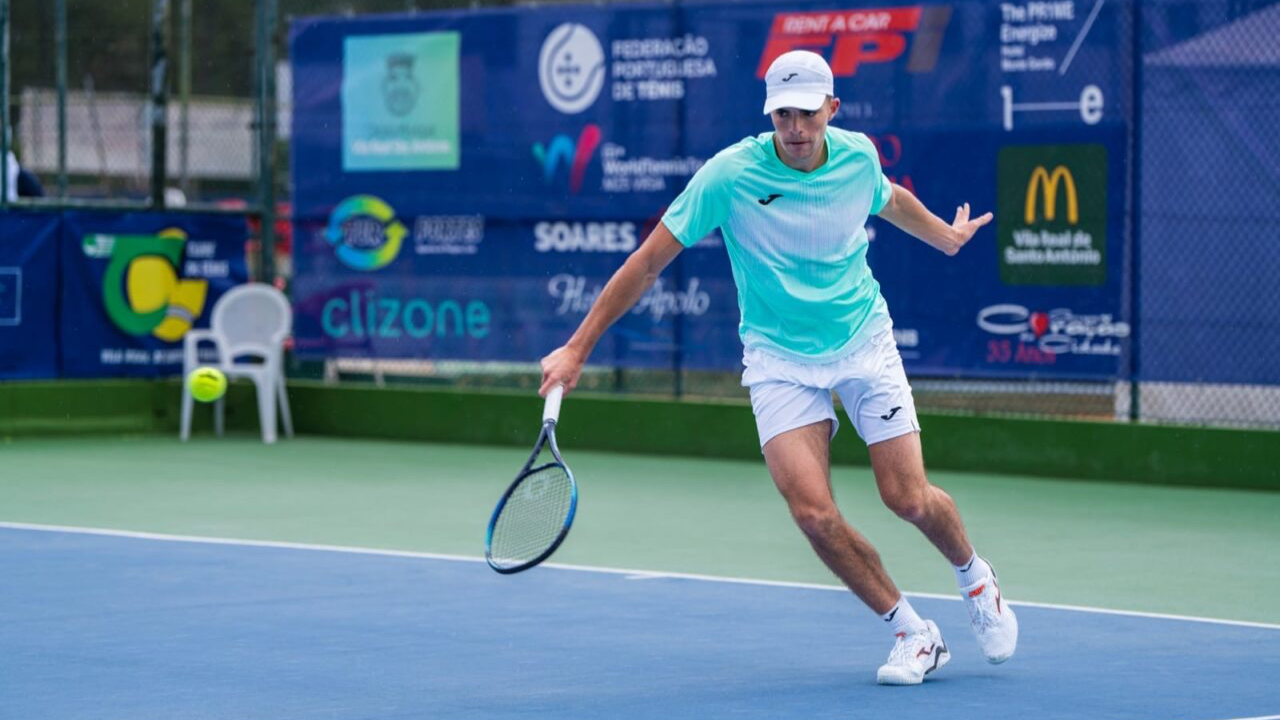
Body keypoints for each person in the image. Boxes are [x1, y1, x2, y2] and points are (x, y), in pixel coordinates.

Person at [538, 50, 1017, 686]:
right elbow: (648, 263)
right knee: (813, 513)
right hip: (778, 359)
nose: (795, 127)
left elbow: (889, 198)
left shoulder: (857, 157)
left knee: (906, 497)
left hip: (863, 341)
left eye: (807, 113)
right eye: (783, 114)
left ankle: (975, 578)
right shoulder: (729, 175)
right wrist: (578, 347)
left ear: (832, 109)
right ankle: (912, 632)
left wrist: (945, 237)